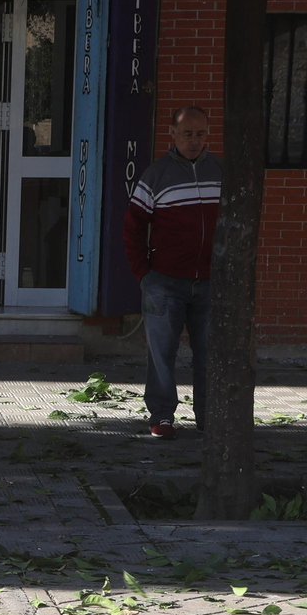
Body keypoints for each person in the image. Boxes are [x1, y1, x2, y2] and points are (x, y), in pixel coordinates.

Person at [122, 105, 222, 440]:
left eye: (200, 134)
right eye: (187, 134)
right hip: (164, 283)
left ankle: (209, 417)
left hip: (211, 283)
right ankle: (162, 417)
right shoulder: (156, 175)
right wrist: (143, 273)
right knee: (162, 354)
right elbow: (133, 227)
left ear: (207, 134)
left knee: (209, 354)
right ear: (173, 135)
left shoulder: (222, 172)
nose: (194, 141)